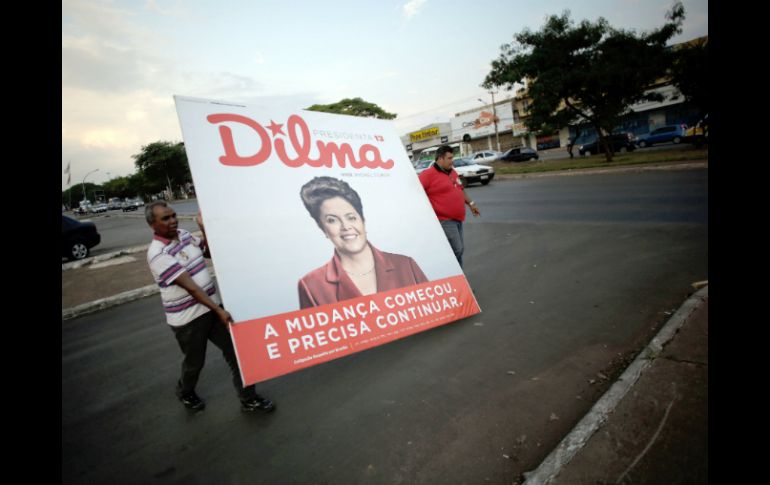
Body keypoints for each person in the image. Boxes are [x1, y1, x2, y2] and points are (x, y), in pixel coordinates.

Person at [145, 201, 275, 413]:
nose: (173, 221)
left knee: (237, 353)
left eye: (173, 215)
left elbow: (208, 252)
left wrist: (203, 227)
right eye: (165, 218)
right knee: (195, 362)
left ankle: (248, 398)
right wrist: (219, 310)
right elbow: (192, 288)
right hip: (188, 320)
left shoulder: (184, 235)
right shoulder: (158, 254)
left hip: (212, 309)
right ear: (152, 225)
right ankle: (185, 391)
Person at [298, 176, 429, 309]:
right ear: (322, 228)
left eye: (351, 217)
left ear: (362, 220)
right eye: (332, 220)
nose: (346, 227)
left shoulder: (407, 265)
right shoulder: (310, 285)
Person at [418, 145, 480, 267]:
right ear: (440, 158)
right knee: (457, 249)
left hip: (458, 219)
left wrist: (471, 204)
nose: (452, 161)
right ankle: (449, 272)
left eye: (453, 158)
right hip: (444, 220)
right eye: (450, 158)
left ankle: (458, 276)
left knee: (458, 250)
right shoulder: (428, 175)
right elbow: (415, 192)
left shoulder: (452, 172)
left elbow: (460, 189)